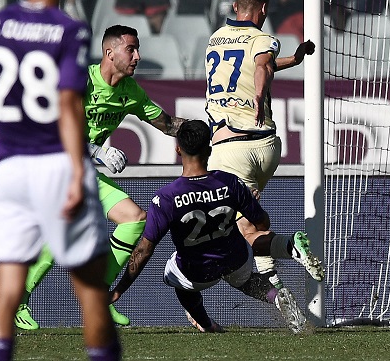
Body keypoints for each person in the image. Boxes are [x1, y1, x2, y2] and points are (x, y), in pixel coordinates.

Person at [0, 0, 121, 360]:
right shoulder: (69, 30)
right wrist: (77, 171)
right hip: (56, 164)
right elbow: (69, 105)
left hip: (9, 169)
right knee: (90, 293)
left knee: (6, 293)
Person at [14, 24, 187, 330]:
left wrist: (209, 126)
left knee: (134, 219)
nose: (138, 56)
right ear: (110, 53)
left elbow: (169, 124)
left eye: (137, 49)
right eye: (131, 49)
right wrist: (97, 151)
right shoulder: (81, 80)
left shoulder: (131, 92)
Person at [110, 120, 308, 333]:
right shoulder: (231, 182)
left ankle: (207, 324)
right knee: (245, 280)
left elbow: (144, 250)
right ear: (209, 150)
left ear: (178, 149)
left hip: (198, 271)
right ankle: (276, 296)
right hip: (236, 259)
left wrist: (119, 289)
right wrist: (247, 204)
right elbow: (262, 224)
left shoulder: (166, 197)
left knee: (176, 279)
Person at [206, 0, 324, 294]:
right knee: (249, 225)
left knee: (229, 230)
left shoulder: (215, 39)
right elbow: (262, 63)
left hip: (231, 149)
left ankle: (285, 257)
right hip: (266, 147)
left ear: (235, 7)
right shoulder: (264, 39)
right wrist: (294, 61)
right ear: (264, 9)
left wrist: (258, 95)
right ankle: (278, 271)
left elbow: (260, 68)